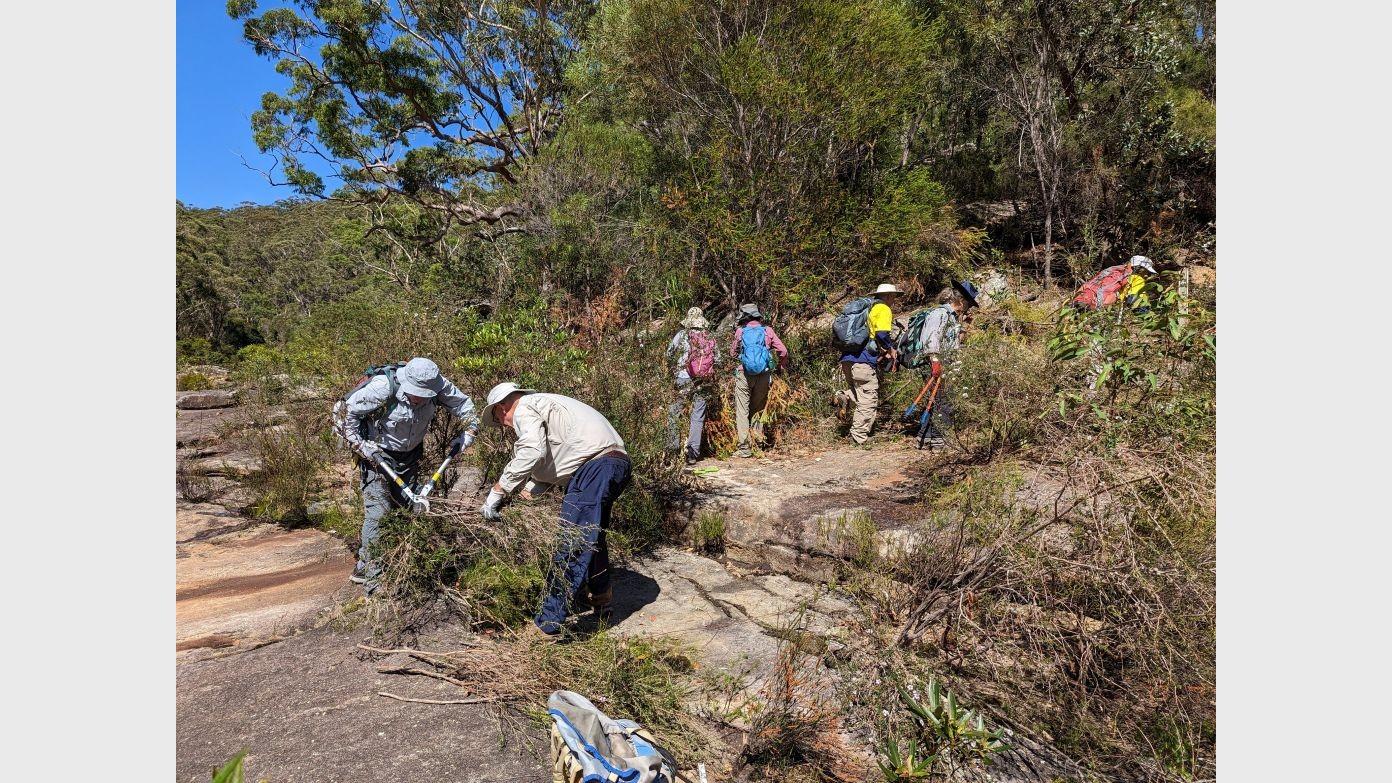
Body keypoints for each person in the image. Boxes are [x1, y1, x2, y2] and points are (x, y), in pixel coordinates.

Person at [477, 383, 630, 639]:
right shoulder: (548, 407)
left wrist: (498, 491)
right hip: (615, 465)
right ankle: (601, 597)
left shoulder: (525, 407)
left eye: (498, 419)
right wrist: (523, 496)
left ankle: (548, 624)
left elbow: (531, 451)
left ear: (502, 407)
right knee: (592, 536)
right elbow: (548, 465)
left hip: (593, 470)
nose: (503, 425)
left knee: (572, 543)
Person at [336, 357, 479, 595]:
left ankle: (366, 565)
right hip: (377, 456)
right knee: (379, 515)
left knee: (403, 510)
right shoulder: (383, 387)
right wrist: (360, 445)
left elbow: (465, 407)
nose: (420, 399)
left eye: (425, 394)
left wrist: (470, 431)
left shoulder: (439, 385)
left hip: (410, 456)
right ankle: (375, 583)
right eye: (416, 393)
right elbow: (345, 414)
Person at [836, 283, 902, 445]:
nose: (894, 300)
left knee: (858, 393)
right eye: (893, 297)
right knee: (868, 399)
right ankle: (858, 438)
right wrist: (890, 348)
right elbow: (881, 334)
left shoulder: (867, 308)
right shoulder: (883, 309)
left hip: (847, 359)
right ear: (887, 296)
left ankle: (844, 396)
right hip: (864, 361)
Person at [918, 280, 978, 449]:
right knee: (944, 402)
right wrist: (935, 361)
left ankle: (926, 438)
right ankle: (938, 440)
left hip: (945, 365)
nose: (967, 309)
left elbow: (954, 342)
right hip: (937, 364)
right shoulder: (940, 314)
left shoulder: (951, 318)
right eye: (967, 304)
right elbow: (931, 338)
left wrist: (965, 326)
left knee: (937, 400)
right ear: (960, 301)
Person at [729, 303, 789, 458]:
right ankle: (758, 443)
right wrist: (780, 366)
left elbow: (732, 353)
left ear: (744, 317)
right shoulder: (767, 331)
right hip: (764, 375)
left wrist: (744, 357)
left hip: (744, 375)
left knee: (743, 411)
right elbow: (783, 351)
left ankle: (744, 448)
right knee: (758, 409)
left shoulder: (740, 331)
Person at [667, 307, 719, 465]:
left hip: (682, 378)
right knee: (697, 416)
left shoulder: (681, 335)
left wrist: (672, 369)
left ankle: (672, 451)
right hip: (702, 380)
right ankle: (692, 454)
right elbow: (718, 359)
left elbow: (669, 354)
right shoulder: (709, 336)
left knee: (674, 413)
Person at [1072, 255, 1157, 311]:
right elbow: (1133, 300)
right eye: (1146, 271)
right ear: (1140, 268)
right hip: (1106, 304)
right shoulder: (1138, 278)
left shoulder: (1115, 270)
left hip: (1090, 299)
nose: (1146, 274)